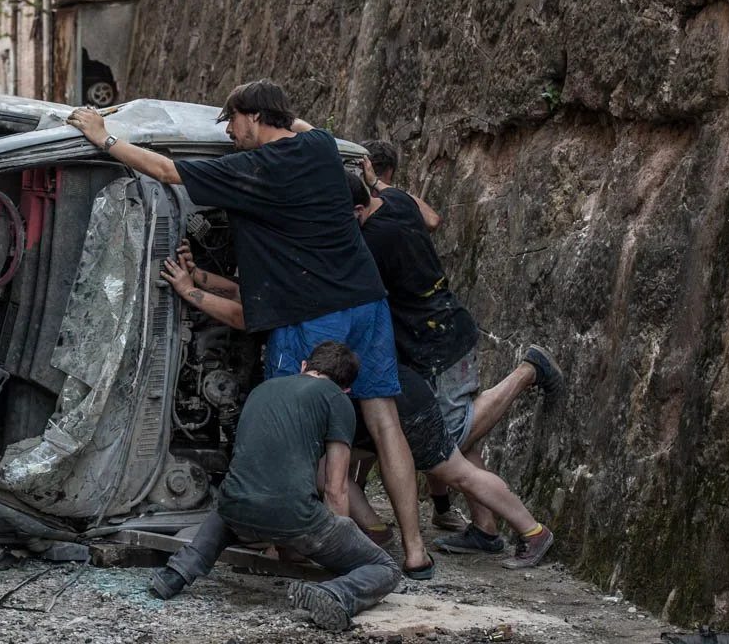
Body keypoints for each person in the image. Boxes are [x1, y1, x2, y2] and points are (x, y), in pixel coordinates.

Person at [67, 81, 432, 578]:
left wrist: (102, 137)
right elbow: (300, 125)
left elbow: (167, 170)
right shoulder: (322, 147)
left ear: (254, 117)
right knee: (385, 420)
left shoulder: (253, 168)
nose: (230, 131)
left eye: (232, 121)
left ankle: (309, 550)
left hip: (311, 313)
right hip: (366, 301)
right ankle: (415, 550)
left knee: (295, 428)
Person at [351, 145, 565, 554]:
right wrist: (377, 182)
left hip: (437, 340)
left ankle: (527, 372)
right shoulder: (394, 201)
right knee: (460, 441)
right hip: (441, 327)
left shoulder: (373, 240)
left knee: (450, 435)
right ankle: (485, 532)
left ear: (357, 211)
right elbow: (432, 217)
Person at [147, 341, 403, 631]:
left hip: (236, 511)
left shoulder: (263, 389)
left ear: (304, 367)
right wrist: (336, 557)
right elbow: (335, 488)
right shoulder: (337, 400)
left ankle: (177, 573)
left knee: (234, 502)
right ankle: (336, 593)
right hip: (292, 517)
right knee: (385, 568)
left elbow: (252, 469)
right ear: (346, 388)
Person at [389, 363, 555, 569]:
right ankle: (486, 530)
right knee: (451, 454)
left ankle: (532, 531)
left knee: (455, 452)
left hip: (409, 376)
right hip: (408, 373)